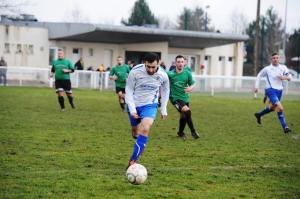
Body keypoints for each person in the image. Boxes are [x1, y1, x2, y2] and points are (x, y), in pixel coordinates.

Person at [126, 52, 170, 167]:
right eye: (148, 66)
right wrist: (132, 110)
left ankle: (133, 160)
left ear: (158, 63)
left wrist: (163, 108)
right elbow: (129, 90)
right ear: (144, 63)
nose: (150, 70)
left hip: (150, 105)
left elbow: (165, 91)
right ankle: (137, 135)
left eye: (153, 67)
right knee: (135, 132)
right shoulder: (135, 71)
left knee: (145, 128)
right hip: (134, 104)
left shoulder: (163, 75)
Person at [254, 52, 292, 134]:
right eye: (274, 58)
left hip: (279, 91)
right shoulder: (267, 69)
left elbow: (290, 77)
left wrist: (283, 77)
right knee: (280, 108)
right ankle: (285, 127)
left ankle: (259, 114)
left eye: (277, 58)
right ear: (271, 59)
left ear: (279, 59)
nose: (275, 59)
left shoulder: (283, 68)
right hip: (270, 90)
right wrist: (256, 87)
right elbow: (259, 75)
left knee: (273, 108)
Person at [167, 55, 200, 140]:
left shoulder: (187, 73)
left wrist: (190, 88)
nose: (180, 64)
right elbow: (161, 76)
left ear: (184, 63)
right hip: (175, 98)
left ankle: (180, 132)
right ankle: (193, 131)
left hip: (185, 98)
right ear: (175, 63)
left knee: (184, 116)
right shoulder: (170, 74)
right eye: (178, 62)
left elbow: (193, 83)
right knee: (186, 111)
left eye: (182, 62)